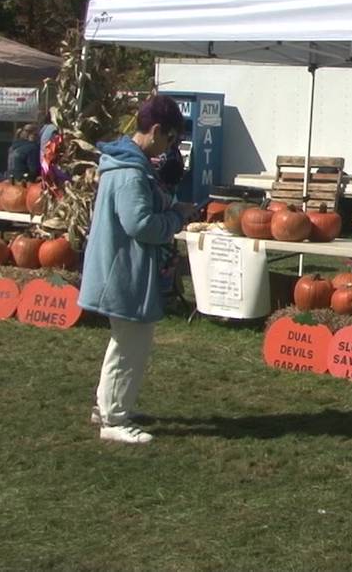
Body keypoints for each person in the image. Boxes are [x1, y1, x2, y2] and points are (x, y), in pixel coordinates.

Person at [79, 95, 196, 445]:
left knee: (123, 343)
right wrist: (175, 218)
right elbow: (140, 224)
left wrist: (170, 205)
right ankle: (114, 418)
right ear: (157, 131)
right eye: (170, 139)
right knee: (131, 345)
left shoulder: (124, 164)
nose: (170, 146)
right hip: (123, 271)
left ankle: (107, 406)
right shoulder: (131, 173)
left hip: (117, 268)